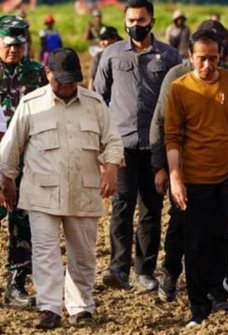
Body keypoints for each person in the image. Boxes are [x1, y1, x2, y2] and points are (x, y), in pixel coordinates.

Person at [0, 48, 124, 330]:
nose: (67, 87)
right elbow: (10, 148)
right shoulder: (31, 104)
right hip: (42, 193)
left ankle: (81, 307)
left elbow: (113, 141)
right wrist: (6, 181)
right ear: (48, 74)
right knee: (45, 253)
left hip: (83, 191)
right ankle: (49, 308)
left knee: (83, 254)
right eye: (61, 81)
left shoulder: (94, 104)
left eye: (73, 81)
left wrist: (112, 168)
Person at [150, 19, 228, 309]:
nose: (209, 64)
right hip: (189, 173)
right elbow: (163, 127)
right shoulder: (176, 81)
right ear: (191, 54)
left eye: (215, 56)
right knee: (183, 231)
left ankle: (219, 289)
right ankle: (171, 273)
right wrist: (164, 169)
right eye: (203, 57)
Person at [94, 0, 180, 292]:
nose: (136, 25)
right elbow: (99, 99)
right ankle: (118, 268)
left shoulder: (168, 56)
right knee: (121, 205)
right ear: (124, 21)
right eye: (131, 20)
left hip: (156, 146)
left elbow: (177, 103)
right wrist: (102, 146)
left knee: (151, 209)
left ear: (152, 21)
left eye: (141, 20)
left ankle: (144, 271)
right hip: (121, 146)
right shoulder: (111, 54)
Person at [0, 15, 47, 309]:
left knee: (22, 224)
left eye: (19, 45)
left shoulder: (35, 72)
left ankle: (15, 285)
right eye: (8, 44)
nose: (14, 50)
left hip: (26, 162)